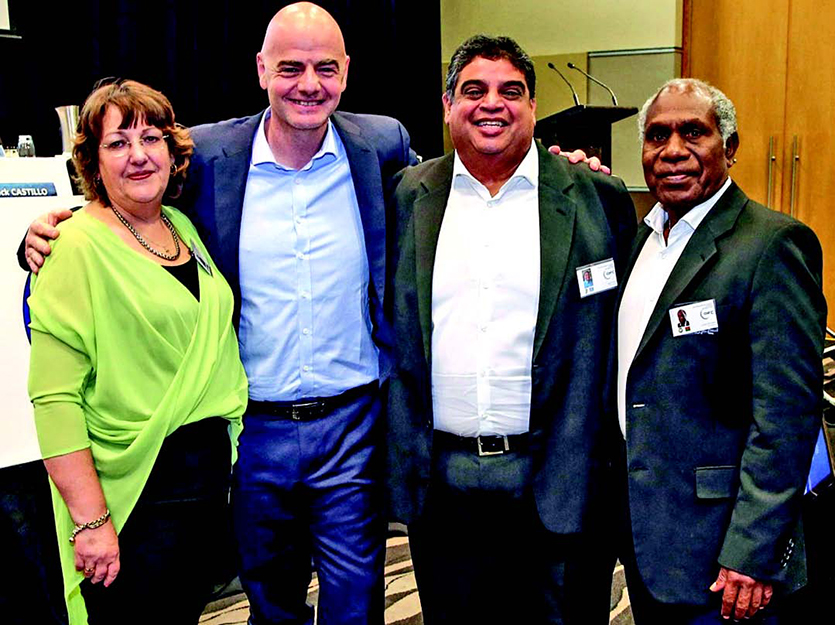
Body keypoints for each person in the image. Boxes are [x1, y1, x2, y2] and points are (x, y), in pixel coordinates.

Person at [385, 34, 636, 624]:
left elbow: (627, 328)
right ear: (448, 105)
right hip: (443, 484)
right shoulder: (407, 196)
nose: (492, 104)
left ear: (532, 106)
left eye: (511, 91)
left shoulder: (596, 196)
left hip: (560, 479)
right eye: (474, 90)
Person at [26, 79, 248, 625]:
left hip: (202, 490)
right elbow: (54, 399)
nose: (139, 155)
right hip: (133, 495)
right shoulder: (74, 245)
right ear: (91, 160)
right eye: (118, 143)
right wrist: (91, 521)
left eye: (150, 138)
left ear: (172, 150)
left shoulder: (182, 226)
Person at [615, 78, 826, 624]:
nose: (673, 151)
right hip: (650, 537)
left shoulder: (771, 245)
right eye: (657, 136)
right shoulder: (642, 241)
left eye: (693, 133)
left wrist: (752, 554)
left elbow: (786, 418)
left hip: (726, 556)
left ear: (729, 148)